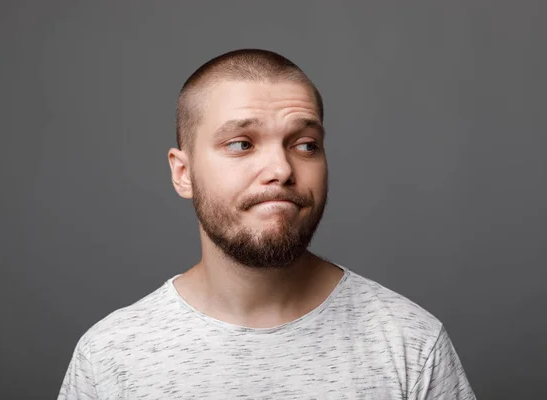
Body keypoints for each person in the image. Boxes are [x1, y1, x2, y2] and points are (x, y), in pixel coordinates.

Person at [57, 48, 476, 399]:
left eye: (305, 145)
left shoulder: (411, 344)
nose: (280, 168)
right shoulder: (109, 356)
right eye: (241, 144)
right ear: (183, 174)